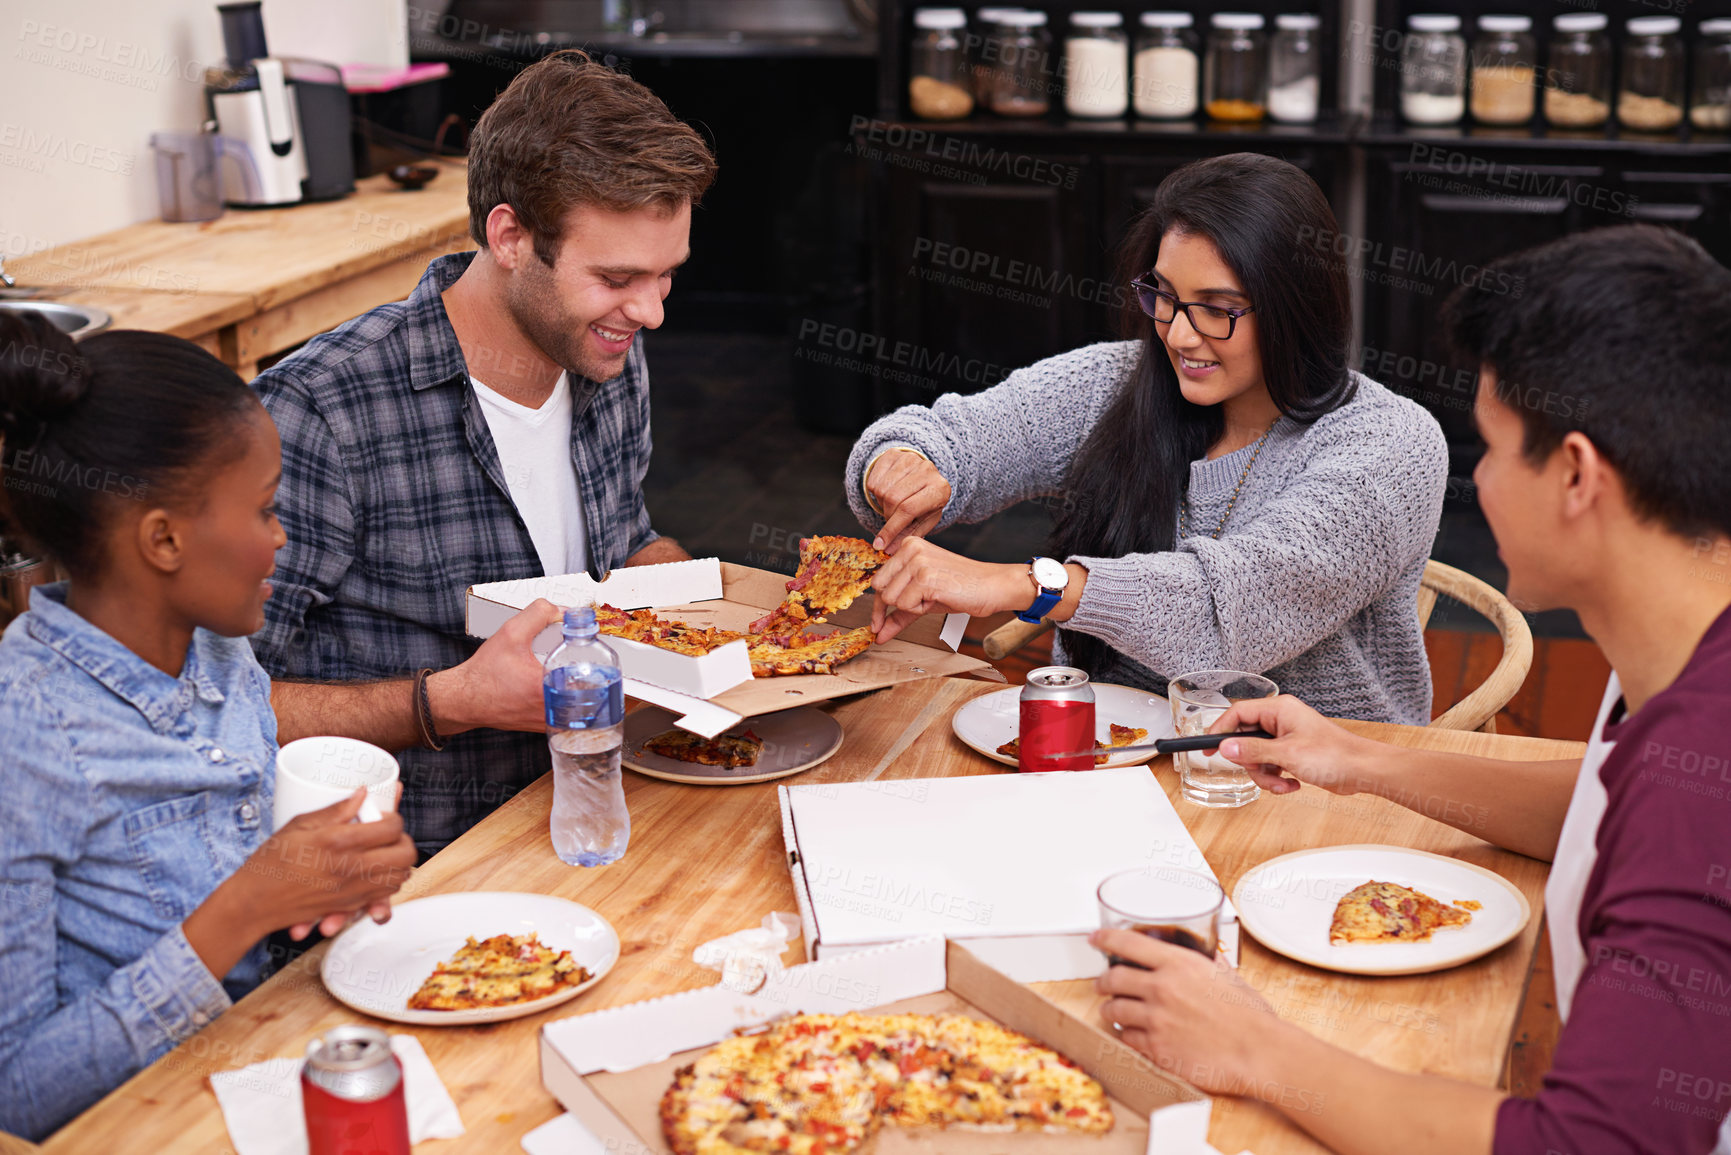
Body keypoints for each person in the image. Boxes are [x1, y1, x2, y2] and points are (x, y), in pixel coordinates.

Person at [1091, 224, 1731, 1154]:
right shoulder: (1686, 662)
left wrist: (1254, 1046)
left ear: (1577, 476)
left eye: (1496, 447)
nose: (1477, 478)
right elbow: (1604, 803)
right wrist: (1357, 756)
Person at [250, 49, 717, 855]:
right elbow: (199, 710)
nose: (650, 312)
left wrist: (699, 607)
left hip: (599, 814)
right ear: (508, 236)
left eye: (665, 276)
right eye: (616, 278)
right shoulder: (319, 413)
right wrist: (450, 700)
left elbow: (622, 540)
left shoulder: (604, 349)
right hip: (416, 876)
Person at [0, 318, 428, 1140]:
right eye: (266, 509)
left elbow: (257, 884)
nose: (282, 537)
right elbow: (16, 1095)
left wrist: (327, 876)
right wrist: (244, 908)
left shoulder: (223, 652)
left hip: (278, 1060)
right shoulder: (27, 738)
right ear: (162, 538)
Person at [848, 153, 1448, 725]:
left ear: (1299, 308)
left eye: (1217, 309)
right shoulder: (1116, 381)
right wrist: (905, 461)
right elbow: (954, 435)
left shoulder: (1390, 446)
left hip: (1305, 784)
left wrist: (1021, 584)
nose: (1179, 336)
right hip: (1102, 751)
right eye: (1164, 297)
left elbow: (1225, 621)